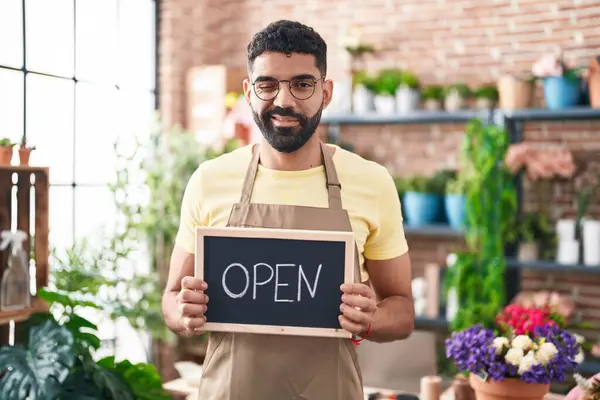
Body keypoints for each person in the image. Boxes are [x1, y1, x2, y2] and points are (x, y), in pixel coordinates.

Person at [162, 19, 414, 400]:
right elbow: (170, 298)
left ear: (326, 92)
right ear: (249, 92)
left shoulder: (371, 183)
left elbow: (403, 311)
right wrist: (182, 312)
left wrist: (372, 318)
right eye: (267, 85)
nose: (284, 101)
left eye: (302, 84)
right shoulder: (209, 180)